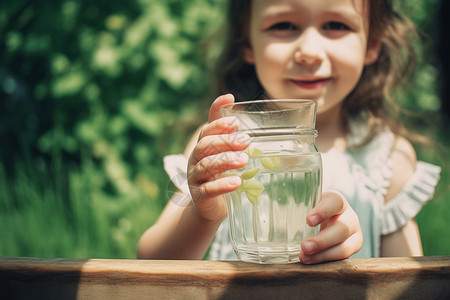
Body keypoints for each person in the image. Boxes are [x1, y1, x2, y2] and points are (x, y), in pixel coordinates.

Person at [137, 0, 441, 264]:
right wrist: (203, 216)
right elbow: (152, 265)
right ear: (247, 42)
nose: (308, 51)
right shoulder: (224, 141)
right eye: (284, 25)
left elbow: (410, 282)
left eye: (335, 25)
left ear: (372, 42)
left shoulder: (387, 158)